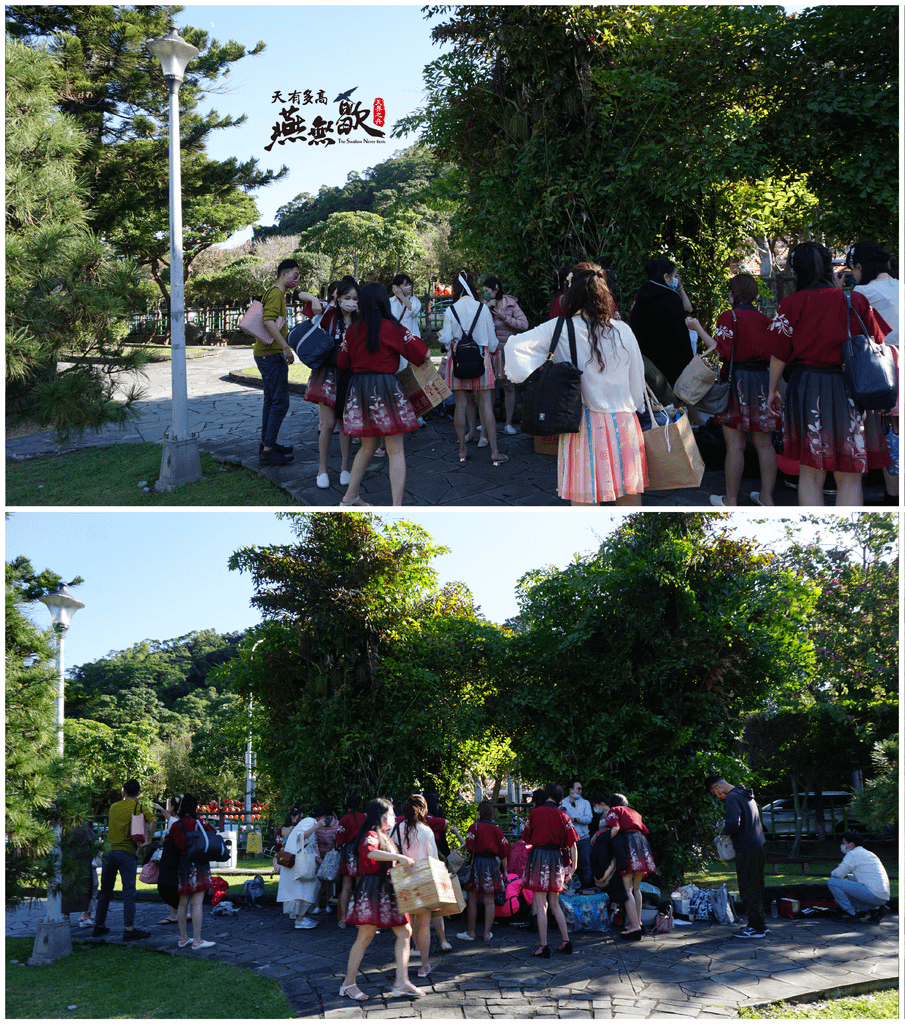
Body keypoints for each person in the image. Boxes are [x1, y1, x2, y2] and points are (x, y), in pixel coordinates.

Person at [506, 262, 647, 506]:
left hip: (583, 426)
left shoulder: (559, 328)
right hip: (625, 424)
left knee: (585, 507)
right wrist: (635, 406)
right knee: (630, 504)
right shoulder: (623, 330)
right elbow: (637, 382)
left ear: (570, 294)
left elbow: (514, 347)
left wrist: (540, 367)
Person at [766, 241, 891, 506]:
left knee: (810, 474)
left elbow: (778, 353)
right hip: (848, 387)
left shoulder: (790, 303)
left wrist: (772, 390)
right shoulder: (855, 299)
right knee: (849, 474)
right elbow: (878, 343)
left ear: (797, 270)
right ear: (829, 267)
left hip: (805, 387)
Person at [685, 274, 781, 507]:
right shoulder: (764, 319)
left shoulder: (729, 316)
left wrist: (697, 328)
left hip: (736, 381)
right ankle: (767, 498)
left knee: (735, 446)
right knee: (765, 444)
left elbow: (721, 352)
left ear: (733, 294)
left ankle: (731, 500)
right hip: (762, 381)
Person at [337, 282, 429, 506]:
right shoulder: (392, 328)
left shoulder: (352, 330)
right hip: (386, 388)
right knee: (395, 450)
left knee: (367, 447)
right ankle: (397, 506)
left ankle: (350, 496)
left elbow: (341, 362)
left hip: (359, 390)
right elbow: (423, 354)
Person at [340, 797, 421, 1002]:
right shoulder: (371, 834)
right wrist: (400, 858)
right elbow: (369, 854)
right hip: (374, 890)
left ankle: (401, 981)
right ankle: (348, 983)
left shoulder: (383, 834)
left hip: (386, 889)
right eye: (392, 813)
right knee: (365, 936)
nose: (394, 817)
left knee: (405, 932)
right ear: (382, 815)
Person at [846, 241, 899, 505]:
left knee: (890, 428)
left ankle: (893, 495)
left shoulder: (862, 291)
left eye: (853, 270)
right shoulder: (901, 285)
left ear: (860, 267)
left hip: (889, 362)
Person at [257, 259, 322, 466]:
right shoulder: (276, 293)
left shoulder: (272, 292)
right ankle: (268, 450)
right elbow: (268, 321)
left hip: (264, 353)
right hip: (271, 354)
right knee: (280, 402)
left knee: (271, 401)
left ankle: (268, 443)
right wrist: (285, 347)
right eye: (295, 275)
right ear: (283, 275)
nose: (297, 279)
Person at [439, 271, 507, 466]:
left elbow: (445, 338)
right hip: (481, 360)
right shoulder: (483, 309)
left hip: (458, 360)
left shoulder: (451, 310)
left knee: (460, 404)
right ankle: (495, 451)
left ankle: (462, 450)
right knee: (486, 404)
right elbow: (492, 343)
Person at [304, 276, 357, 490]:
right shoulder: (328, 314)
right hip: (326, 373)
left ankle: (345, 468)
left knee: (345, 425)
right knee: (327, 425)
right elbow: (301, 296)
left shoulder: (359, 319)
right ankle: (322, 469)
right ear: (337, 296)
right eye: (347, 297)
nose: (351, 302)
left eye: (355, 298)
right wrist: (312, 298)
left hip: (350, 374)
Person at [92, 779, 156, 941]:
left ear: (123, 792)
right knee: (128, 891)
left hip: (108, 852)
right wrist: (148, 840)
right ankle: (129, 929)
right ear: (139, 793)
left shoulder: (113, 807)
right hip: (127, 852)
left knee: (105, 891)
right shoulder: (139, 807)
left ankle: (98, 926)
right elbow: (154, 820)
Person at [520, 782, 579, 958]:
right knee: (554, 902)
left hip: (539, 856)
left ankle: (544, 946)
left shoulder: (535, 813)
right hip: (556, 858)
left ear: (546, 795)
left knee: (540, 902)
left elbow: (526, 838)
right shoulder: (563, 816)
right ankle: (566, 941)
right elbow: (573, 843)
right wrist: (574, 866)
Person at [706, 775, 767, 939]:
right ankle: (760, 924)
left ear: (717, 787)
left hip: (747, 847)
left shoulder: (732, 797)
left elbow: (733, 823)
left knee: (748, 887)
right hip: (759, 844)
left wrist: (724, 835)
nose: (717, 796)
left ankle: (756, 927)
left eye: (714, 792)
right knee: (757, 885)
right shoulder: (744, 793)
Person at [390, 795, 439, 978]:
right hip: (423, 879)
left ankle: (402, 968)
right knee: (424, 924)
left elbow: (390, 851)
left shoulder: (396, 828)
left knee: (405, 927)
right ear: (423, 810)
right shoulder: (426, 831)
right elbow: (432, 859)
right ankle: (424, 966)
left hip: (403, 880)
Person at [628, 257, 695, 387]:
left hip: (645, 366)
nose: (677, 279)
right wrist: (689, 366)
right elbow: (681, 338)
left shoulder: (640, 298)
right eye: (675, 275)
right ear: (666, 277)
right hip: (671, 368)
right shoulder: (671, 299)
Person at [599, 794, 656, 940]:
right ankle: (638, 922)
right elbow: (645, 830)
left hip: (628, 844)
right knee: (637, 888)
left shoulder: (614, 810)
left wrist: (603, 841)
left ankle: (634, 927)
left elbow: (615, 829)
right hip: (641, 844)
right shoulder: (635, 812)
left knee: (626, 889)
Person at [164, 793, 218, 950]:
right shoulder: (200, 823)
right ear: (195, 806)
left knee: (183, 903)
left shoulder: (176, 825)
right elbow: (213, 835)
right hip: (199, 864)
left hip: (182, 864)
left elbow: (168, 842)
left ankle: (183, 938)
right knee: (197, 903)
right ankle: (197, 940)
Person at [458, 800, 510, 944]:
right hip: (492, 865)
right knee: (489, 901)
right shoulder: (497, 829)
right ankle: (487, 934)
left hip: (476, 864)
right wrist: (505, 871)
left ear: (479, 812)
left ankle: (471, 932)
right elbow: (504, 852)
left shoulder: (474, 827)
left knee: (472, 900)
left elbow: (468, 847)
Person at [482, 276, 529, 435]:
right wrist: (487, 308)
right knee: (490, 388)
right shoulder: (484, 306)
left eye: (487, 291)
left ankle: (508, 423)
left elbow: (524, 324)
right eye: (484, 292)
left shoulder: (510, 304)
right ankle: (488, 422)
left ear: (496, 288)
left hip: (507, 352)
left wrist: (505, 318)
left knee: (509, 387)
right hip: (490, 352)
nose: (486, 294)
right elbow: (478, 326)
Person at [276, 805, 326, 929]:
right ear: (322, 816)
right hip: (298, 863)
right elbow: (300, 837)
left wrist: (320, 863)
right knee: (308, 889)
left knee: (305, 889)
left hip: (297, 862)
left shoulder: (308, 822)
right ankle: (300, 919)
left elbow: (307, 844)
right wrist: (317, 826)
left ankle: (302, 917)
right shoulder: (310, 822)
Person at [827, 831, 890, 922]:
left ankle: (851, 913)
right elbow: (864, 876)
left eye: (843, 843)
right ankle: (876, 909)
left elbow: (838, 874)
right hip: (882, 897)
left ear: (851, 844)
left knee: (832, 882)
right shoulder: (869, 853)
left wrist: (832, 874)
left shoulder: (853, 854)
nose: (842, 845)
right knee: (850, 879)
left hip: (873, 894)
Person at [335, 794, 367, 929]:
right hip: (361, 850)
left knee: (346, 886)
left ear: (347, 805)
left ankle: (343, 919)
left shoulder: (343, 820)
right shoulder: (366, 817)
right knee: (360, 886)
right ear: (359, 804)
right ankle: (359, 919)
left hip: (348, 852)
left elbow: (339, 839)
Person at [61, 820, 98, 928]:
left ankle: (65, 917)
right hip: (83, 864)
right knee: (85, 891)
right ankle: (83, 918)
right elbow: (94, 847)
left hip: (68, 865)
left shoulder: (65, 832)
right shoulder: (87, 831)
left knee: (67, 891)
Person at [154, 796, 184, 925]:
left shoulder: (175, 821)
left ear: (172, 807)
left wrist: (160, 809)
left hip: (173, 856)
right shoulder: (183, 820)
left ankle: (174, 914)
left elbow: (169, 818)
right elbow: (169, 818)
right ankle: (182, 912)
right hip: (183, 856)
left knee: (172, 885)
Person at [560, 778, 593, 891]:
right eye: (578, 789)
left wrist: (575, 819)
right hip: (568, 841)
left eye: (581, 789)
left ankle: (585, 890)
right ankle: (568, 890)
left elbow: (589, 818)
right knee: (566, 867)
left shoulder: (585, 803)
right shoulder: (563, 802)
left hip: (583, 838)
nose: (580, 791)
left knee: (586, 866)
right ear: (571, 790)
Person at [310, 803, 340, 915]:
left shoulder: (337, 825)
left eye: (328, 818)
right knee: (317, 880)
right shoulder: (317, 825)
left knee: (329, 881)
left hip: (331, 856)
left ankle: (328, 904)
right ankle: (317, 905)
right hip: (318, 855)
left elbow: (338, 843)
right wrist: (318, 859)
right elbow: (314, 842)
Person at [389, 274, 423, 340]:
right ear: (396, 287)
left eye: (409, 285)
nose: (409, 287)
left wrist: (401, 296)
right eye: (405, 285)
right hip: (397, 340)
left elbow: (414, 310)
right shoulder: (389, 302)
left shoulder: (414, 300)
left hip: (413, 340)